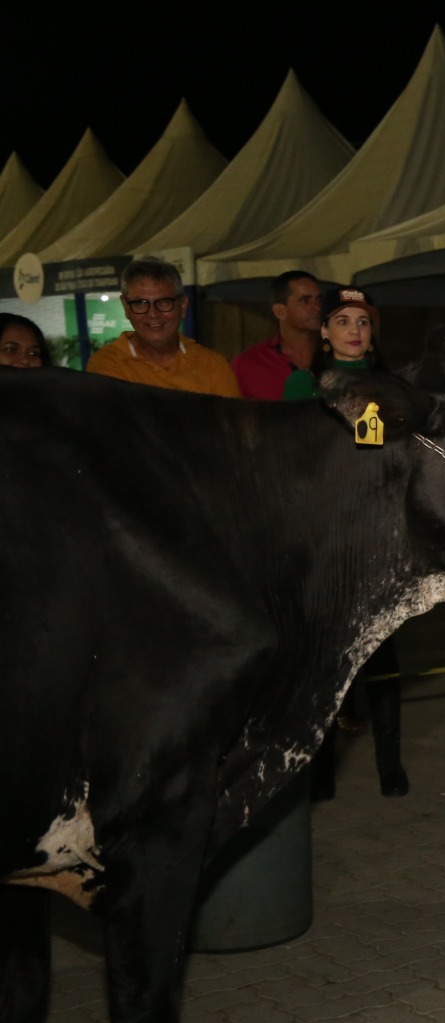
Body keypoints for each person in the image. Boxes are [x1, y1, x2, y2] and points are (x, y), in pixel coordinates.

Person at [290, 286, 408, 796]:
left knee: (383, 648)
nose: (355, 330)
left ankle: (390, 762)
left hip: (379, 529)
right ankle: (319, 769)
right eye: (342, 321)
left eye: (362, 321)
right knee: (323, 655)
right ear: (323, 331)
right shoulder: (303, 384)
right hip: (323, 532)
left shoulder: (392, 384)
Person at [87, 258, 239, 397]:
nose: (153, 314)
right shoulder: (108, 364)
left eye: (164, 302)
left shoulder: (213, 366)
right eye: (140, 304)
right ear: (126, 307)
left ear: (183, 306)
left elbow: (231, 425)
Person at [232, 271, 321, 400]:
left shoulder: (339, 354)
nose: (317, 307)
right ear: (280, 311)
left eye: (319, 300)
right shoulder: (248, 363)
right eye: (305, 301)